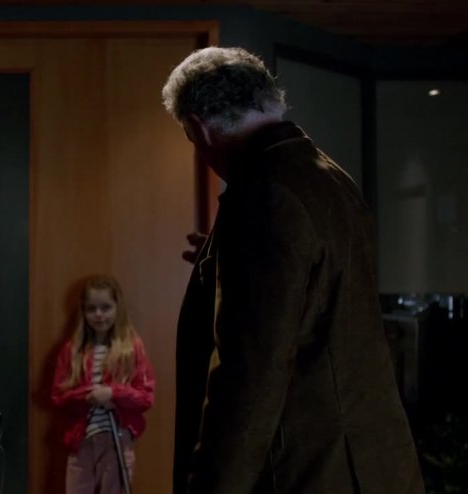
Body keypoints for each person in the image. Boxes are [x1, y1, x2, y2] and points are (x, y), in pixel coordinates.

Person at [161, 47, 424, 493]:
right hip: (369, 462)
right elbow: (314, 281)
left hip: (310, 470)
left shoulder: (263, 197)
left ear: (200, 127)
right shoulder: (328, 176)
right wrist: (228, 255)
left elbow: (249, 383)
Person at [51, 275, 156, 494]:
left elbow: (146, 397)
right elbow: (58, 396)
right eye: (91, 308)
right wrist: (88, 396)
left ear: (117, 308)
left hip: (117, 440)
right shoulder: (73, 350)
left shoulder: (131, 348)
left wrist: (113, 393)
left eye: (106, 307)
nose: (99, 314)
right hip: (81, 443)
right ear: (83, 311)